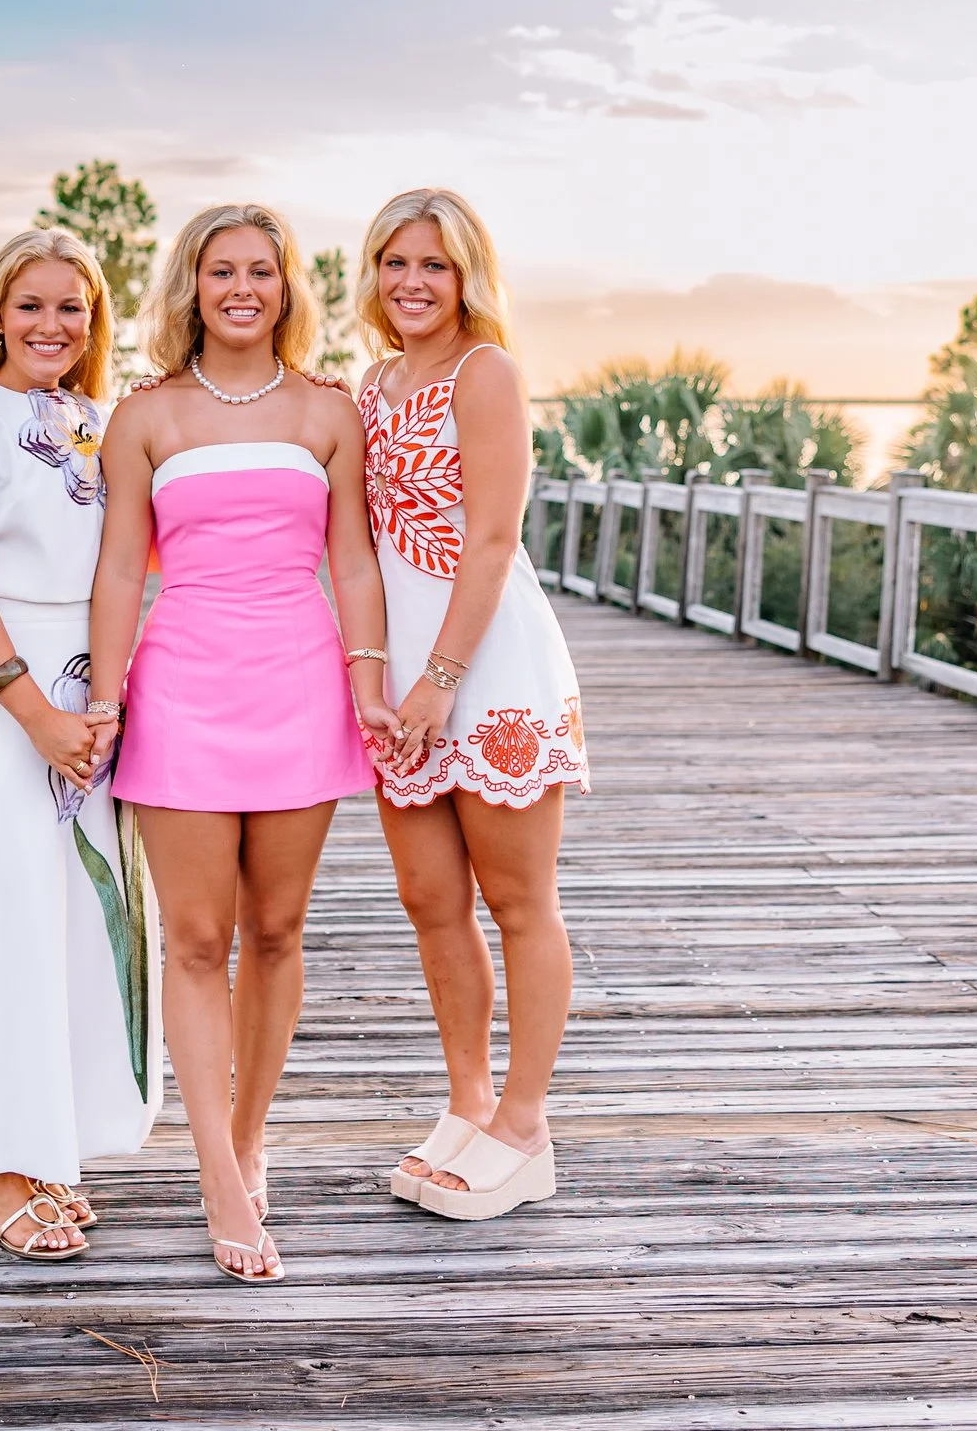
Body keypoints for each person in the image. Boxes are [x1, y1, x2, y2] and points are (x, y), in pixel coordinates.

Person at [88, 202, 397, 1283]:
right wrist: (106, 698)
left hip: (300, 683)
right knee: (192, 940)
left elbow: (353, 560)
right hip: (179, 688)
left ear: (286, 287)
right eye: (221, 271)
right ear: (192, 285)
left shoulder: (327, 408)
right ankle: (215, 1169)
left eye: (261, 271)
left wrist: (369, 678)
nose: (241, 289)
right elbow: (120, 569)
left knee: (274, 929)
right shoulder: (144, 415)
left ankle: (251, 1131)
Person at [0, 227, 158, 1261]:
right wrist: (36, 714)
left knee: (74, 918)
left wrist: (104, 697)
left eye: (74, 307)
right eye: (33, 304)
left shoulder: (97, 424)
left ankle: (47, 1141)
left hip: (85, 688)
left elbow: (121, 569)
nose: (53, 325)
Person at [358, 187, 587, 1222]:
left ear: (466, 277)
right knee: (429, 901)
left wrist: (441, 679)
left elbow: (491, 541)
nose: (412, 281)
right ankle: (468, 1102)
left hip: (482, 672)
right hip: (399, 682)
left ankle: (525, 1122)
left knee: (516, 901)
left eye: (434, 265)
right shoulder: (371, 383)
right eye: (395, 261)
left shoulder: (484, 374)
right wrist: (384, 676)